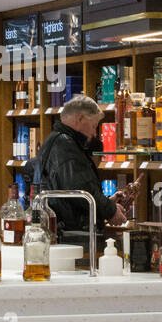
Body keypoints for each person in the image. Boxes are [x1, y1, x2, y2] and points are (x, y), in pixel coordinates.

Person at [33, 94, 129, 244]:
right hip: (71, 237)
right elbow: (80, 190)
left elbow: (70, 191)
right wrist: (110, 209)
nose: (94, 133)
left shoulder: (58, 141)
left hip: (64, 232)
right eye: (94, 126)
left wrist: (106, 203)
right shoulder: (66, 146)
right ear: (80, 119)